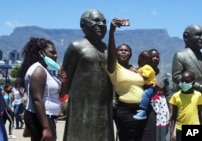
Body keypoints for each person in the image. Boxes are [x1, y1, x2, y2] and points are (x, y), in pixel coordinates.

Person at [61, 9, 114, 141]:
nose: (102, 24)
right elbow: (65, 77)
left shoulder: (107, 48)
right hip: (81, 106)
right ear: (83, 25)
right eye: (96, 21)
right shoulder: (75, 46)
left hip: (104, 104)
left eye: (104, 22)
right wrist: (64, 100)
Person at [107, 18, 156, 141]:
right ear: (116, 53)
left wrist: (155, 87)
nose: (123, 52)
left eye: (126, 50)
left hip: (146, 109)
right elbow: (111, 53)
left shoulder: (136, 69)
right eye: (120, 50)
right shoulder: (114, 68)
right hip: (126, 111)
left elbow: (146, 84)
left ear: (130, 54)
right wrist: (112, 31)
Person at [18, 37, 66, 141]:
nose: (56, 55)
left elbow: (60, 96)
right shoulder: (38, 71)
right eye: (52, 53)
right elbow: (37, 100)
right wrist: (46, 127)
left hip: (47, 118)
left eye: (56, 53)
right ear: (41, 53)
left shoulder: (46, 70)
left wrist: (62, 81)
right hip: (41, 119)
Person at [169, 70, 202, 141]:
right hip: (180, 128)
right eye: (182, 81)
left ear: (193, 82)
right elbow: (173, 116)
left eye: (187, 81)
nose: (184, 83)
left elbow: (200, 113)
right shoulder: (176, 96)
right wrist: (172, 133)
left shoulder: (198, 95)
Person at [172, 24, 202, 92]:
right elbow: (176, 77)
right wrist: (198, 86)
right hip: (189, 97)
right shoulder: (180, 56)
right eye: (198, 35)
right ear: (186, 36)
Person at [149, 48, 171, 141]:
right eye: (153, 56)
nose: (155, 58)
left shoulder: (163, 74)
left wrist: (170, 111)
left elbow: (168, 93)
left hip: (161, 108)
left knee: (161, 132)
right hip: (148, 106)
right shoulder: (141, 72)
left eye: (157, 56)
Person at [133, 50, 157, 120]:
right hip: (145, 86)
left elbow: (146, 76)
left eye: (143, 58)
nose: (140, 60)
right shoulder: (141, 68)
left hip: (150, 86)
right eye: (140, 57)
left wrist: (137, 74)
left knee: (145, 94)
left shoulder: (147, 67)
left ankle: (143, 110)